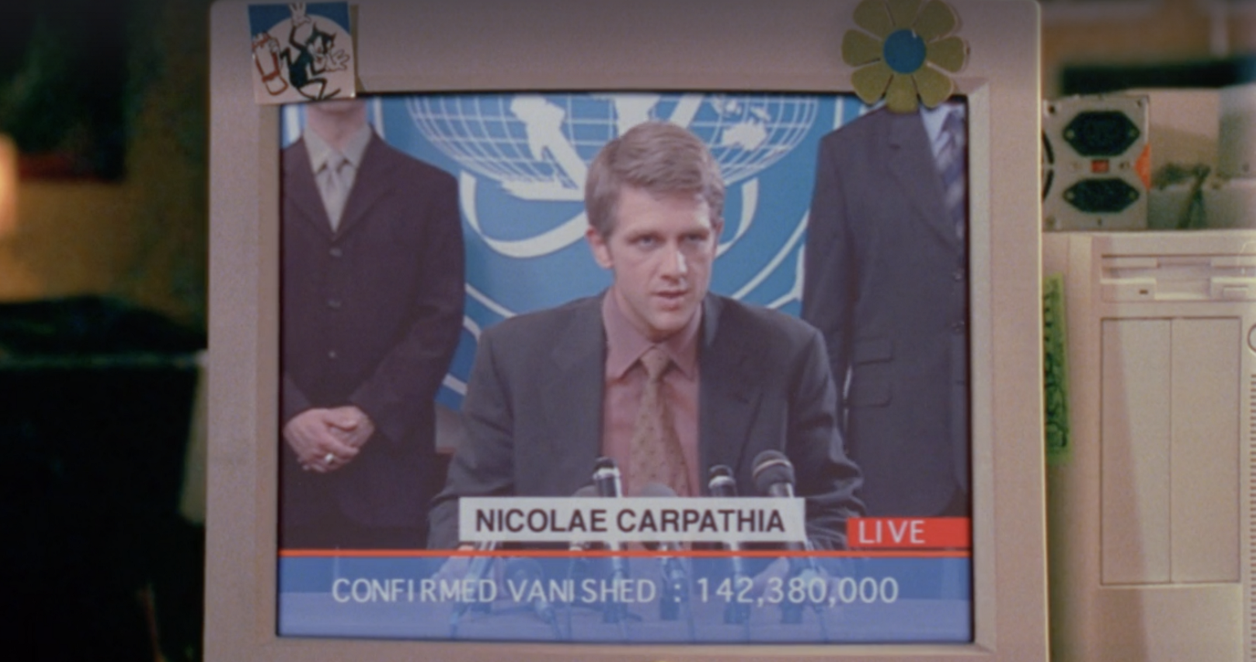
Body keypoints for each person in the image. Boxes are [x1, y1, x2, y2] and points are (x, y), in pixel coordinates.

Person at [427, 121, 862, 551]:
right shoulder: (516, 358)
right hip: (571, 616)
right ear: (600, 245)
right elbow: (465, 513)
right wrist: (467, 565)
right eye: (647, 241)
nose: (675, 268)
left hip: (736, 617)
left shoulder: (787, 352)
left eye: (693, 239)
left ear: (717, 238)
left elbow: (835, 513)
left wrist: (800, 574)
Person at [279, 98, 465, 549]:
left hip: (390, 472)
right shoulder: (254, 181)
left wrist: (369, 413)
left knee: (392, 615)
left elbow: (438, 317)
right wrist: (289, 413)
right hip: (279, 475)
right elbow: (236, 314)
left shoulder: (428, 188)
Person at [801, 101, 970, 518]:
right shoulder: (849, 152)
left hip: (1006, 436)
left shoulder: (1018, 132)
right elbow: (825, 321)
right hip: (894, 448)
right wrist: (824, 464)